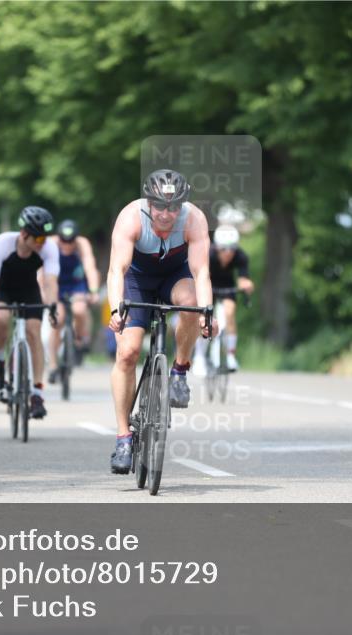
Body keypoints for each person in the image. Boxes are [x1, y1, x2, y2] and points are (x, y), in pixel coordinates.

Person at [106, 169, 215, 474]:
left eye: (174, 207)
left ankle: (179, 370)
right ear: (148, 202)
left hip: (174, 277)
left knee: (191, 304)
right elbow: (117, 270)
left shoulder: (194, 219)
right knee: (127, 352)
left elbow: (201, 273)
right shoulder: (131, 217)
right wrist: (116, 310)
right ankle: (123, 438)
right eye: (159, 206)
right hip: (136, 280)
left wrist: (207, 312)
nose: (166, 215)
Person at [0, 206, 59, 419]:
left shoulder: (49, 248)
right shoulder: (2, 244)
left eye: (45, 238)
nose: (42, 242)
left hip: (28, 289)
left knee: (34, 332)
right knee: (0, 318)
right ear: (24, 234)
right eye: (38, 238)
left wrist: (53, 307)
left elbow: (51, 282)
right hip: (2, 288)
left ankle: (37, 394)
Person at [47, 219, 101, 383]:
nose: (67, 245)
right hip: (56, 284)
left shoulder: (82, 244)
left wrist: (93, 291)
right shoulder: (51, 243)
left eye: (70, 241)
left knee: (79, 309)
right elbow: (42, 271)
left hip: (76, 284)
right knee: (57, 321)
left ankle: (78, 338)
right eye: (64, 241)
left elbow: (90, 268)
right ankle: (53, 365)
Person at [206, 224, 254, 371]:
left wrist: (246, 284)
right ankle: (200, 355)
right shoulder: (208, 255)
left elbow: (243, 278)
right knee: (204, 316)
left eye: (232, 248)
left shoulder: (241, 256)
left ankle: (231, 355)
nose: (228, 252)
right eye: (224, 248)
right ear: (216, 247)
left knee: (230, 313)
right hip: (209, 283)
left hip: (227, 285)